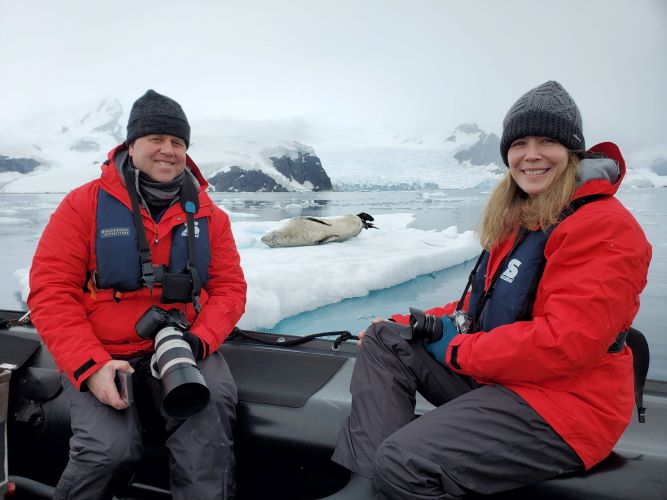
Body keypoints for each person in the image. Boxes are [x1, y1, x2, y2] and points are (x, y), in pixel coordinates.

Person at [328, 81, 652, 499]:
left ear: (572, 152)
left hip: (566, 407)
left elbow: (564, 345)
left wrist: (455, 349)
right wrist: (413, 322)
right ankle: (370, 487)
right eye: (519, 143)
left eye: (547, 141)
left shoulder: (603, 227)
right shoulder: (524, 217)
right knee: (387, 339)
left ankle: (390, 477)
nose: (531, 154)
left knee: (406, 461)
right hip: (509, 380)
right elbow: (474, 308)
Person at [28, 89, 247, 499]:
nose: (168, 151)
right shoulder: (83, 206)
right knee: (107, 451)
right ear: (131, 144)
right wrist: (89, 366)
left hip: (183, 345)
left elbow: (230, 289)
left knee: (208, 440)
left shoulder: (209, 216)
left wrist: (199, 341)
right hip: (102, 348)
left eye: (178, 142)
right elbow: (50, 291)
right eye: (156, 139)